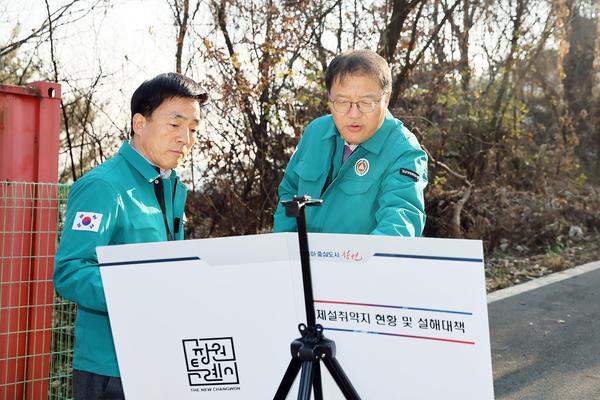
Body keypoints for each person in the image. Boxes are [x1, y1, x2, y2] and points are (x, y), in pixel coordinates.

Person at [54, 73, 207, 399]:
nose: (185, 139)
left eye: (193, 129)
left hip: (159, 358)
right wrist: (138, 294)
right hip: (110, 369)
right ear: (139, 123)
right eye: (175, 124)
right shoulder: (103, 187)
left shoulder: (171, 186)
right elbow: (70, 272)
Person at [272, 49, 427, 236]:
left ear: (385, 99)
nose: (354, 114)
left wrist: (362, 255)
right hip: (301, 253)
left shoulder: (404, 151)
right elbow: (289, 193)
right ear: (330, 99)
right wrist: (285, 246)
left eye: (366, 102)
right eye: (343, 102)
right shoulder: (315, 132)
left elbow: (401, 219)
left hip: (361, 255)